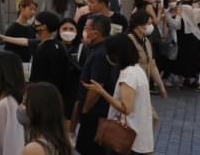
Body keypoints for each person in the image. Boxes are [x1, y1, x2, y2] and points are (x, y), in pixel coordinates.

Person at [83, 34, 155, 155]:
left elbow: (126, 108)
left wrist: (101, 91)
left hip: (129, 138)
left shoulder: (128, 75)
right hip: (139, 135)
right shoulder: (137, 70)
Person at [0, 11, 74, 120]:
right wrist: (4, 38)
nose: (34, 24)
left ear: (44, 27)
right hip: (56, 98)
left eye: (36, 22)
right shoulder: (57, 46)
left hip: (43, 98)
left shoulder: (43, 50)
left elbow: (37, 77)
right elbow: (25, 41)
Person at [75, 15, 116, 155]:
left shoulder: (100, 55)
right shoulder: (103, 50)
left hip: (94, 115)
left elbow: (96, 87)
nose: (84, 31)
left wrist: (85, 110)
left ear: (96, 33)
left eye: (86, 28)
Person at [20, 83, 74, 155]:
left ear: (37, 109)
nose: (20, 107)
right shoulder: (60, 142)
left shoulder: (34, 148)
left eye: (24, 103)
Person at [175, 0, 200, 89]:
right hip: (180, 32)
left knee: (194, 55)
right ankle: (185, 78)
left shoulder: (195, 2)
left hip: (192, 32)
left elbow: (198, 17)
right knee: (182, 55)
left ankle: (196, 79)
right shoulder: (177, 2)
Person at [128, 10, 167, 97]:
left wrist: (161, 86)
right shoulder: (128, 41)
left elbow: (152, 65)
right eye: (149, 24)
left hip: (143, 86)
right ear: (139, 25)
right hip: (130, 87)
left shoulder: (146, 41)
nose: (151, 27)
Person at [4, 0, 37, 64]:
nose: (33, 12)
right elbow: (7, 49)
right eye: (30, 9)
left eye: (35, 10)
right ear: (22, 8)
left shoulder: (31, 28)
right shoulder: (12, 28)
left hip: (27, 63)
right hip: (13, 63)